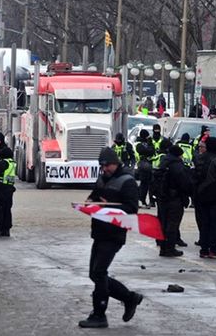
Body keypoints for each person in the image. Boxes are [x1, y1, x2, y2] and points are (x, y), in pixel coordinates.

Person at [78, 147, 142, 329]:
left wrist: (109, 208)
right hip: (99, 232)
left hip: (114, 233)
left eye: (107, 166)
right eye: (102, 166)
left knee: (99, 273)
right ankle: (130, 298)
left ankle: (99, 314)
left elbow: (131, 209)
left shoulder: (127, 181)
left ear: (115, 163)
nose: (104, 169)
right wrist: (90, 203)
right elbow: (94, 196)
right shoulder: (102, 178)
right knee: (95, 273)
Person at [193, 137, 216, 259]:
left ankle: (204, 249)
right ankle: (213, 249)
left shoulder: (199, 158)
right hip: (215, 197)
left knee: (204, 224)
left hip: (200, 196)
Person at [158, 145, 193, 257]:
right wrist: (188, 195)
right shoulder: (177, 165)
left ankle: (163, 248)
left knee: (163, 223)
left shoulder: (163, 162)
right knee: (172, 224)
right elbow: (185, 183)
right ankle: (170, 248)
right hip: (174, 198)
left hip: (162, 198)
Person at [134, 129, 155, 208]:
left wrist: (150, 145)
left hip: (148, 166)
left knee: (147, 184)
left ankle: (143, 200)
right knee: (143, 184)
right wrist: (149, 148)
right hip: (141, 166)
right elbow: (145, 151)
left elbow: (152, 151)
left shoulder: (148, 143)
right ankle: (140, 200)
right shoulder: (138, 144)